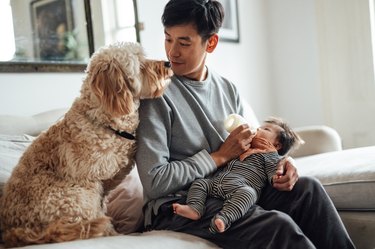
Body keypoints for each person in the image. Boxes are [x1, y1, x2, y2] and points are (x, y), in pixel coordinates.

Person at [135, 0, 355, 248]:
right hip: (176, 205)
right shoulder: (156, 94)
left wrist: (284, 163)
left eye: (184, 42)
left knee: (308, 189)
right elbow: (154, 183)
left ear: (211, 42)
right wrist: (218, 157)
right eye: (168, 39)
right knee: (277, 227)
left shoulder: (228, 89)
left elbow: (256, 147)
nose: (172, 52)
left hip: (230, 188)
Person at [172, 117, 304, 234]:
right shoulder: (242, 145)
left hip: (240, 187)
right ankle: (195, 207)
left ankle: (224, 218)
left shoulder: (269, 155)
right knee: (200, 183)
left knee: (248, 194)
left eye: (266, 129)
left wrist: (278, 176)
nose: (258, 128)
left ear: (277, 145)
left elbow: (275, 172)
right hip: (217, 182)